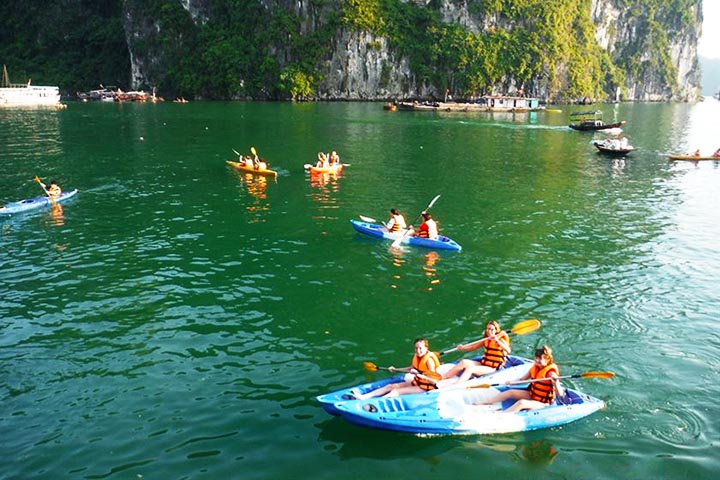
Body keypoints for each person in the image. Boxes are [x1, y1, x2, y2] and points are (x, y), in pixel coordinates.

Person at [475, 345, 564, 413]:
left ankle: (503, 416)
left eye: (540, 359)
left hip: (544, 403)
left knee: (522, 403)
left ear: (547, 360)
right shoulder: (535, 367)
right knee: (510, 392)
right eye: (536, 358)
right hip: (532, 395)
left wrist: (555, 381)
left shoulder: (551, 373)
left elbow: (560, 393)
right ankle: (484, 402)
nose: (537, 360)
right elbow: (522, 379)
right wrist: (511, 382)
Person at [353, 338, 440, 400]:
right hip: (417, 382)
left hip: (426, 387)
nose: (418, 350)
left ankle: (369, 402)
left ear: (426, 348)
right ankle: (363, 397)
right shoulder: (418, 357)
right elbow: (411, 368)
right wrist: (396, 369)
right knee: (390, 386)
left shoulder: (429, 360)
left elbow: (433, 380)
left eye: (420, 348)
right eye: (416, 348)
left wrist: (418, 374)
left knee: (395, 392)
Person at [441, 321, 511, 383]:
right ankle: (444, 377)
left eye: (492, 329)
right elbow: (473, 347)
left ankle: (457, 384)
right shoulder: (486, 340)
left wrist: (497, 340)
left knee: (470, 369)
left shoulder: (501, 340)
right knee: (464, 362)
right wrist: (462, 348)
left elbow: (508, 350)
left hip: (493, 368)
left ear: (496, 330)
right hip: (483, 363)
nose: (490, 331)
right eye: (488, 329)